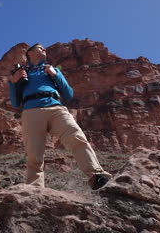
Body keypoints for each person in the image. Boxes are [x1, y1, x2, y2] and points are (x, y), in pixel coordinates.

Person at [8, 43, 112, 190]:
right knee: (34, 155)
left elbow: (68, 93)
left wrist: (55, 75)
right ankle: (35, 190)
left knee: (77, 138)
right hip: (31, 110)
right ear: (30, 53)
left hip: (56, 108)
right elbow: (14, 102)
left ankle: (97, 176)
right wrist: (13, 82)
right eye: (39, 47)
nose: (44, 49)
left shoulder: (52, 70)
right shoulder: (22, 73)